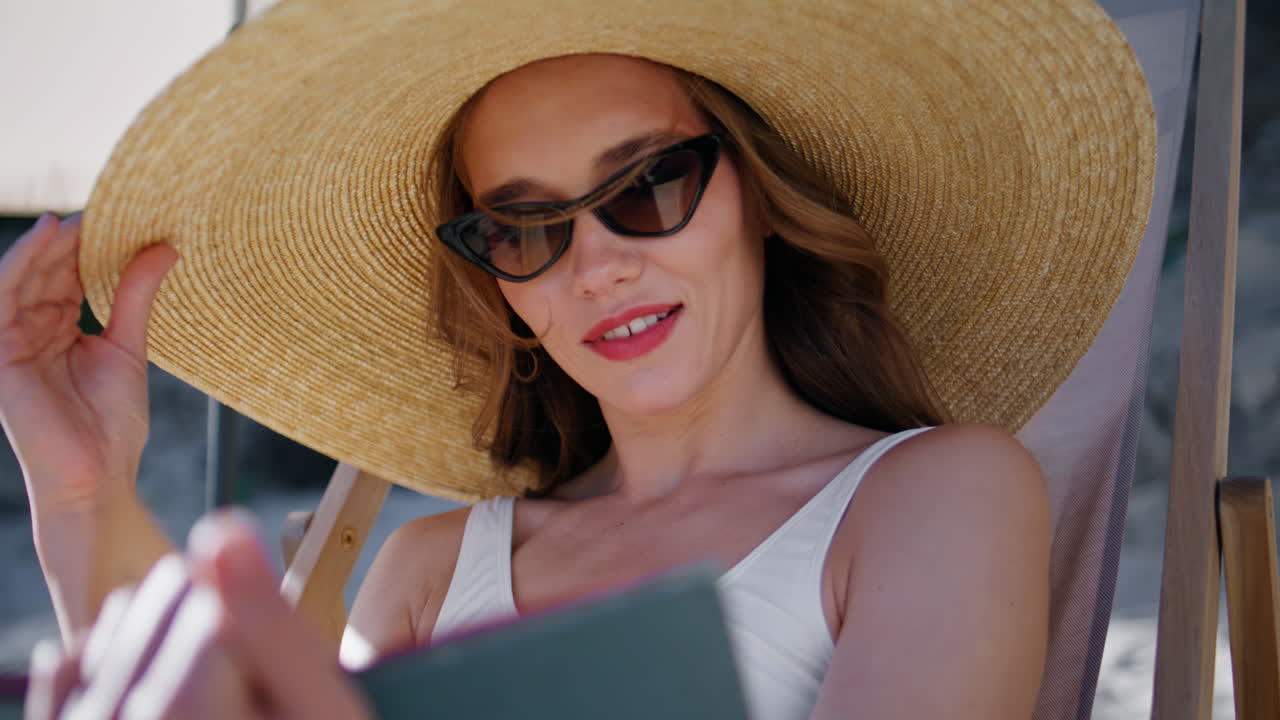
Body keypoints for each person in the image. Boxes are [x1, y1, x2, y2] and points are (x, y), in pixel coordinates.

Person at [1, 0, 1156, 717]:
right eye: (526, 225)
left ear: (755, 192)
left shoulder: (931, 495)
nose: (594, 265)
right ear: (495, 281)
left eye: (647, 184)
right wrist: (80, 497)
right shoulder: (425, 569)